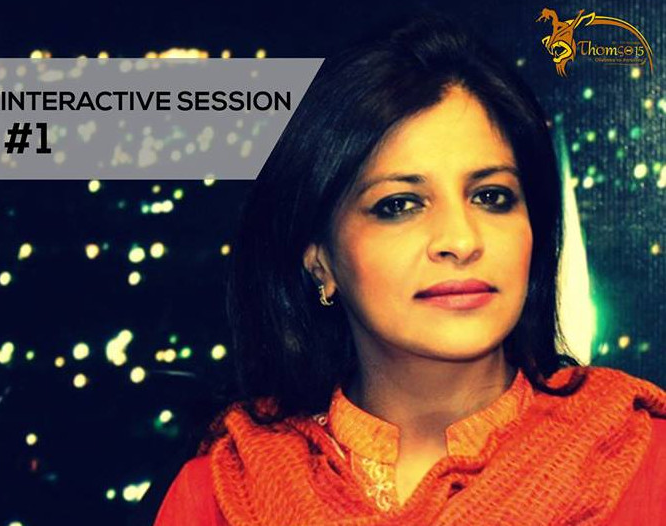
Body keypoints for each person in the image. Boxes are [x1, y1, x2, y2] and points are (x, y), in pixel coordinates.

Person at [153, 13, 666, 526]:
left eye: (491, 197)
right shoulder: (224, 494)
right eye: (398, 205)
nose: (461, 241)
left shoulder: (643, 462)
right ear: (320, 260)